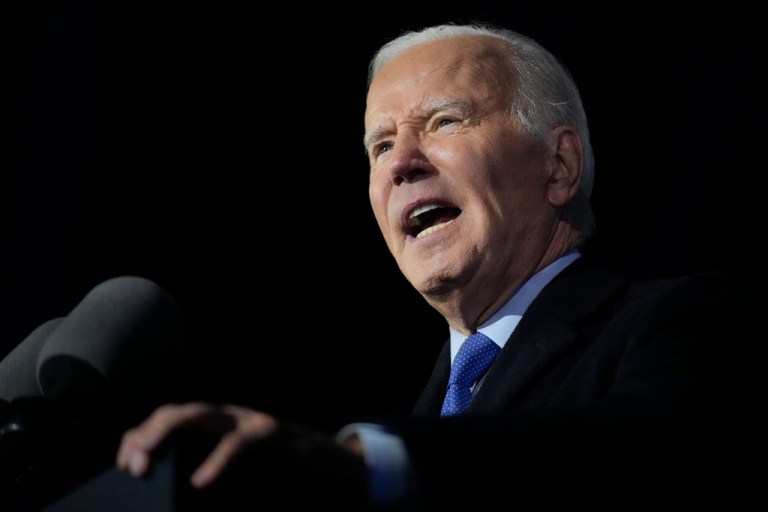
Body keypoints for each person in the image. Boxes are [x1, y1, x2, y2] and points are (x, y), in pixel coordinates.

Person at [115, 22, 768, 510]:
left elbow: (657, 453)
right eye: (380, 144)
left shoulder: (683, 318)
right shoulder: (414, 410)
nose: (401, 164)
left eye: (445, 122)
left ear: (559, 166)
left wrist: (366, 465)